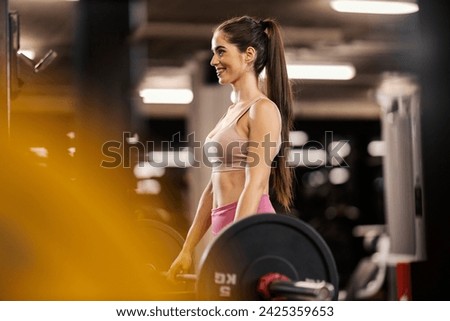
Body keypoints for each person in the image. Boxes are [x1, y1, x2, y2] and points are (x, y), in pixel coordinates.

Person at [167, 15, 294, 281]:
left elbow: (256, 184)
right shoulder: (230, 112)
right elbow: (213, 188)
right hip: (228, 230)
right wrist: (187, 249)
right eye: (214, 53)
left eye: (221, 51)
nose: (214, 61)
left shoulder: (263, 110)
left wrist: (236, 244)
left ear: (248, 55)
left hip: (252, 231)